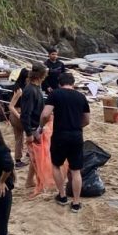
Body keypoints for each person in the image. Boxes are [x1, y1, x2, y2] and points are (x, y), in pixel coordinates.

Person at [38, 72, 90, 212]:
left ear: (59, 83)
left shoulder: (55, 94)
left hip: (60, 134)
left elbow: (45, 114)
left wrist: (41, 126)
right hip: (76, 135)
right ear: (72, 83)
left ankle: (62, 195)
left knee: (56, 165)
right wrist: (77, 126)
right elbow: (87, 120)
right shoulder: (81, 96)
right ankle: (76, 202)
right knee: (75, 170)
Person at [20, 63, 47, 187]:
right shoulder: (30, 90)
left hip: (37, 126)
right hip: (33, 127)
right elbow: (25, 114)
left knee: (35, 157)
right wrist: (29, 133)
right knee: (36, 156)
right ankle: (38, 181)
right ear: (41, 75)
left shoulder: (36, 87)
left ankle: (30, 180)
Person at [7, 68, 29, 168]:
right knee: (25, 135)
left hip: (16, 115)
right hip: (18, 113)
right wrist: (19, 116)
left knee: (19, 137)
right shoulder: (20, 89)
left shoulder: (18, 86)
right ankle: (22, 157)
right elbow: (11, 105)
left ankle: (18, 159)